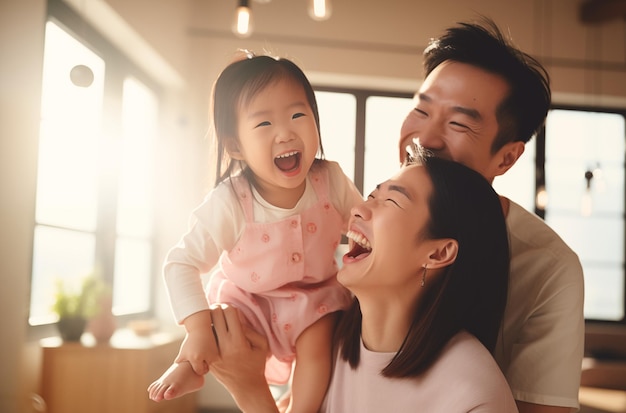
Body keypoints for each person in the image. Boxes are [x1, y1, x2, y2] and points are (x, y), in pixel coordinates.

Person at [205, 153, 519, 412]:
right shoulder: (326, 342)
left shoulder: (474, 395)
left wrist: (250, 392)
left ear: (438, 253)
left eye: (391, 201)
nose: (357, 208)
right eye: (371, 195)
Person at [147, 51, 363, 413]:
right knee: (217, 322)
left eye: (298, 115)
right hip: (248, 302)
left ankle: (300, 408)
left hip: (314, 300)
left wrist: (363, 248)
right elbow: (180, 263)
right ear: (235, 146)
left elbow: (361, 223)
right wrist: (198, 329)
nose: (285, 132)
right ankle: (190, 362)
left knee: (320, 343)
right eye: (264, 124)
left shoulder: (331, 180)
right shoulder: (230, 200)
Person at [398, 18, 585, 413]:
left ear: (507, 157)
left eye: (459, 124)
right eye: (421, 110)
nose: (425, 139)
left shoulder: (547, 267)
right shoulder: (355, 221)